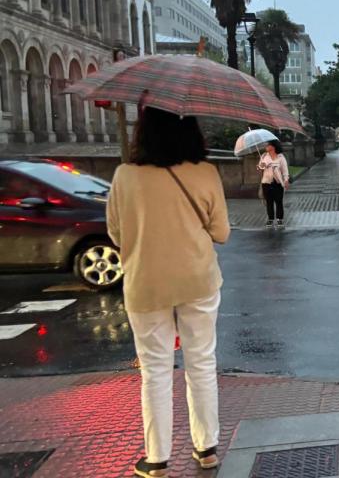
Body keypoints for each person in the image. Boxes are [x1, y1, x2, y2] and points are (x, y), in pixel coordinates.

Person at [106, 107, 230, 478]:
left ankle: (157, 457)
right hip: (198, 280)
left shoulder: (125, 176)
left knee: (155, 370)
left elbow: (115, 232)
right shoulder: (206, 172)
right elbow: (221, 232)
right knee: (201, 363)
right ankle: (206, 447)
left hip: (145, 283)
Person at [258, 140, 290, 227]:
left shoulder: (281, 157)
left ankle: (280, 219)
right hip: (266, 183)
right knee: (269, 202)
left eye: (268, 145)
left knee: (279, 201)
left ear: (273, 147)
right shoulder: (264, 156)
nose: (266, 146)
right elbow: (259, 167)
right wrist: (262, 166)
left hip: (277, 183)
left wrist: (286, 180)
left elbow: (285, 170)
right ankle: (270, 219)